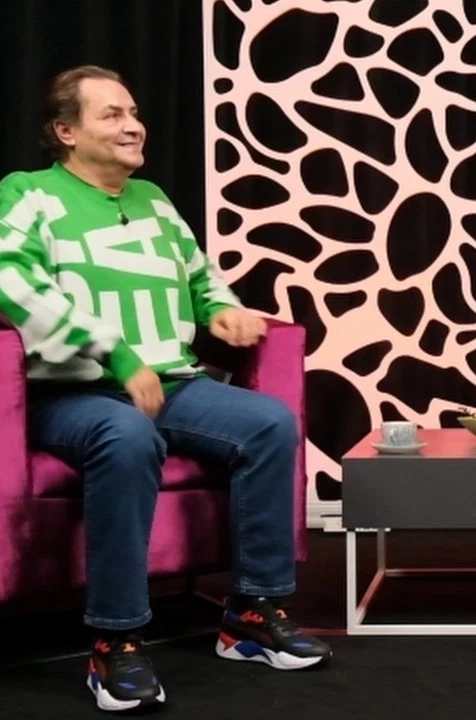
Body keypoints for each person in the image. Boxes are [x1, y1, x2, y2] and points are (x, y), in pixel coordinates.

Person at [0, 65, 331, 712]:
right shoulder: (29, 193)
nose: (134, 126)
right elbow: (12, 279)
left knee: (269, 423)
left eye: (134, 113)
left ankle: (252, 613)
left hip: (173, 386)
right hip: (73, 396)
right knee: (125, 435)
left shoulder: (152, 199)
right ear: (66, 131)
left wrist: (222, 309)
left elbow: (200, 278)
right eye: (112, 115)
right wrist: (116, 354)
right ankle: (117, 640)